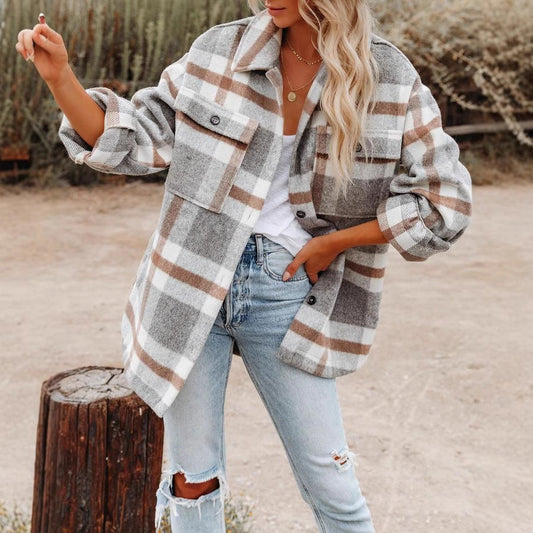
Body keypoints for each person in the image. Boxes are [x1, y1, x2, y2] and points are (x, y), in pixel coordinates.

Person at [16, 1, 472, 531]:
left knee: (333, 483)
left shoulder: (387, 75)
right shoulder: (221, 50)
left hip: (290, 292)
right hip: (188, 285)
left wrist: (336, 243)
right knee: (193, 481)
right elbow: (130, 138)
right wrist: (60, 77)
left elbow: (446, 202)